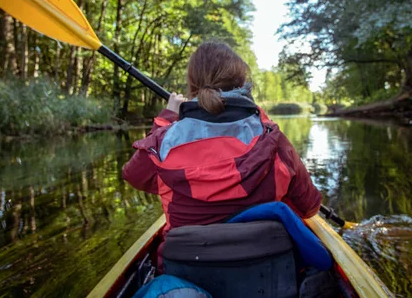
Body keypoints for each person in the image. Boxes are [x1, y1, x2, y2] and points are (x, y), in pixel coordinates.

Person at [123, 41, 321, 237]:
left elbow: (134, 175)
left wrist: (167, 117)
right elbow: (309, 207)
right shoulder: (272, 141)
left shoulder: (163, 142)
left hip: (187, 265)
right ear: (242, 83)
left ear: (192, 84)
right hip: (264, 264)